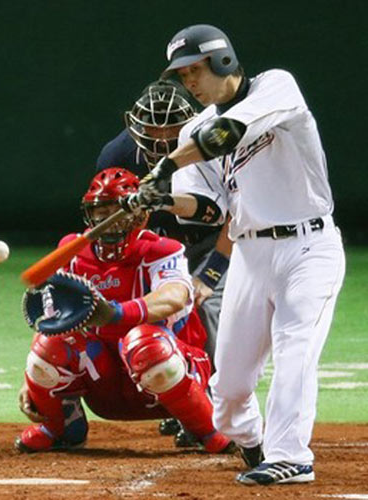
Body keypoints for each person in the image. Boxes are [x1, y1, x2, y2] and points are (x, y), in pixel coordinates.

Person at [123, 24, 346, 486]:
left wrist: (164, 166)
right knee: (229, 390)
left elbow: (228, 133)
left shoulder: (275, 87)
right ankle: (252, 441)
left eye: (195, 70)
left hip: (309, 247)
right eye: (181, 75)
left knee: (295, 346)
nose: (189, 82)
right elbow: (206, 209)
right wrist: (160, 199)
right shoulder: (194, 129)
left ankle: (291, 456)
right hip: (250, 254)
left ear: (223, 61)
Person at [15, 167, 235, 456]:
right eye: (100, 212)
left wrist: (117, 313)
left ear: (141, 215)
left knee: (144, 342)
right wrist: (31, 380)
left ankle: (205, 429)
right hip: (105, 379)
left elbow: (175, 296)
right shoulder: (71, 251)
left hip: (167, 370)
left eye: (117, 211)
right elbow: (55, 321)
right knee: (47, 346)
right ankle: (62, 428)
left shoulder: (161, 250)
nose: (108, 221)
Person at [96, 79, 231, 362]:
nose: (161, 135)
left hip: (213, 244)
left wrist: (211, 274)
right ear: (136, 123)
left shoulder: (214, 149)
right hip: (153, 250)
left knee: (204, 307)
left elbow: (235, 215)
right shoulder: (117, 155)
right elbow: (106, 220)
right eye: (153, 124)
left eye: (172, 124)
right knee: (128, 306)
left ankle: (216, 393)